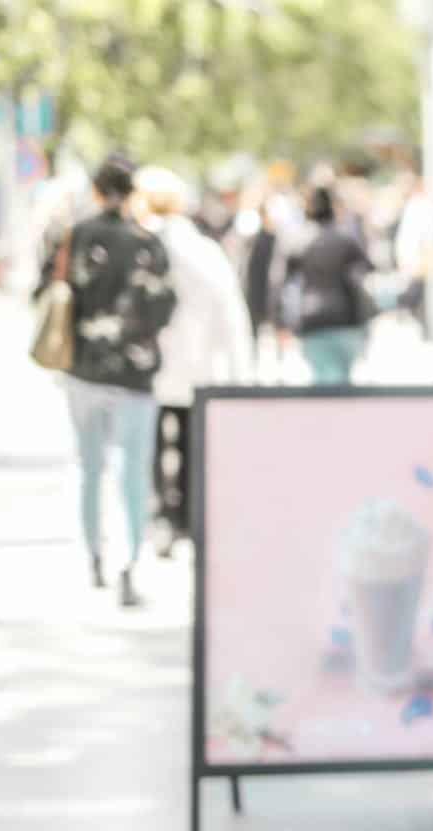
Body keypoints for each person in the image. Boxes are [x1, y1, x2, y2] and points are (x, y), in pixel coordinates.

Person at [38, 155, 178, 607]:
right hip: (134, 374)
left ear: (97, 191)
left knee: (90, 466)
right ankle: (128, 562)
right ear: (132, 191)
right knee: (133, 472)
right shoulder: (147, 243)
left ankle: (94, 555)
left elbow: (47, 291)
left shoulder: (74, 236)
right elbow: (164, 306)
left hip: (83, 368)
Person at [134, 166, 252, 556]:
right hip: (196, 363)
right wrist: (238, 369)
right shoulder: (202, 247)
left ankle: (159, 516)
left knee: (149, 443)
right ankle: (184, 515)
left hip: (148, 364)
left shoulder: (140, 242)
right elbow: (229, 310)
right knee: (189, 442)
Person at [285, 186, 374, 385]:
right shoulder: (345, 240)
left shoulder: (299, 241)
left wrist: (281, 320)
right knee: (340, 381)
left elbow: (284, 282)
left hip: (313, 319)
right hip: (343, 318)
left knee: (322, 381)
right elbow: (367, 268)